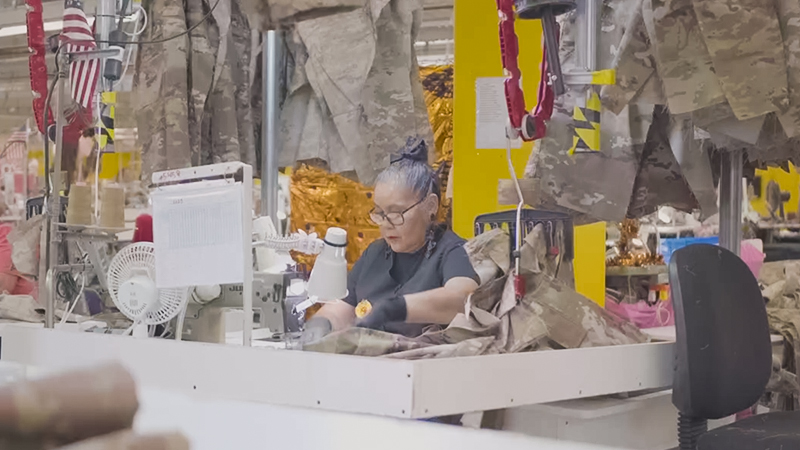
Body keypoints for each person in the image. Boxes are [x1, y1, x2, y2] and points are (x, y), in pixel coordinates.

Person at [303, 137, 480, 341]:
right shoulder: (375, 253)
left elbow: (462, 300)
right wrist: (320, 325)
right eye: (379, 212)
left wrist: (395, 308)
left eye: (396, 212)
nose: (386, 223)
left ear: (430, 206)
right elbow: (340, 309)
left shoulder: (451, 250)